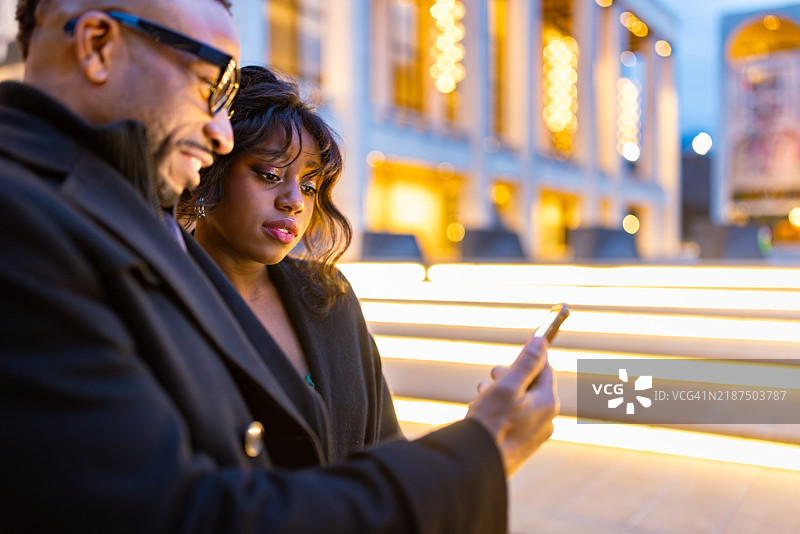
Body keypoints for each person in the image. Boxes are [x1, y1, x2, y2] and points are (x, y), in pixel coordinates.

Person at [0, 1, 558, 533]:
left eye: (310, 184)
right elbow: (185, 515)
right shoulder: (27, 223)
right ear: (98, 44)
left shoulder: (135, 226)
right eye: (207, 85)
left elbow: (375, 449)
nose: (219, 133)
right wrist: (481, 450)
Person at [178, 65, 401, 462]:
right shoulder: (164, 298)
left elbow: (385, 450)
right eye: (269, 174)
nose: (294, 201)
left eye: (310, 185)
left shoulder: (330, 295)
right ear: (210, 170)